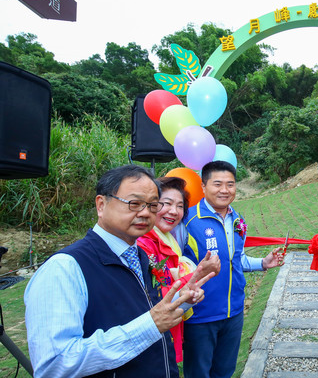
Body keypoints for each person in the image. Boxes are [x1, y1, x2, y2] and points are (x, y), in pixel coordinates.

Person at [24, 165, 213, 377]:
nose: (145, 213)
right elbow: (54, 365)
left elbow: (141, 309)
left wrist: (183, 297)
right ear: (101, 205)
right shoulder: (64, 269)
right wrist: (150, 326)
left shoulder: (140, 257)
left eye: (152, 205)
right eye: (134, 203)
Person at [182, 160, 284, 378]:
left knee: (226, 371)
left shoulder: (237, 219)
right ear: (203, 186)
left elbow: (235, 259)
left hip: (234, 312)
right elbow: (177, 267)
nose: (224, 190)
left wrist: (263, 263)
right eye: (217, 184)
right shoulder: (187, 220)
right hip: (200, 315)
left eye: (230, 184)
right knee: (198, 373)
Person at [137, 176, 221, 363]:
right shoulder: (143, 245)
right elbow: (159, 295)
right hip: (149, 340)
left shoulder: (170, 241)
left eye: (180, 206)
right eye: (166, 204)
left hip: (168, 330)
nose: (174, 211)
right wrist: (199, 273)